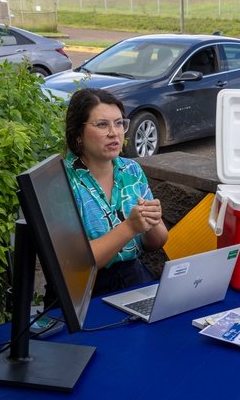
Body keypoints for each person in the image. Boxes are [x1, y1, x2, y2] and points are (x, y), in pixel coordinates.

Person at [63, 87, 168, 297]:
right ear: (77, 134)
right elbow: (77, 264)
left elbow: (157, 242)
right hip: (85, 292)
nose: (114, 132)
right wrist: (130, 227)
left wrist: (152, 221)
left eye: (119, 123)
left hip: (134, 279)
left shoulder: (131, 170)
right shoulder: (62, 182)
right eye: (102, 124)